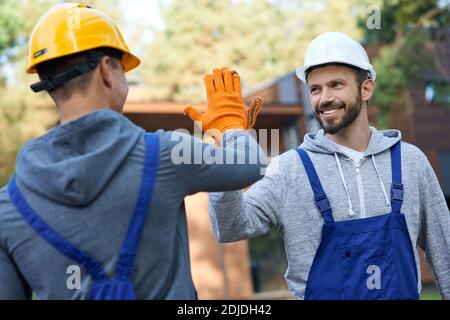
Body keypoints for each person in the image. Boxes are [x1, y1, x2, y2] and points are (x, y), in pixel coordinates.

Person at [0, 3, 264, 299]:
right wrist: (228, 124)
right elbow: (249, 164)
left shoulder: (9, 206)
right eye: (122, 67)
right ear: (105, 69)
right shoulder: (164, 154)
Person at [206, 32, 450, 299]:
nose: (324, 98)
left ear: (366, 88)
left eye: (336, 85)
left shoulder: (409, 161)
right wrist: (225, 153)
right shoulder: (289, 169)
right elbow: (230, 227)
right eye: (315, 89)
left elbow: (444, 249)